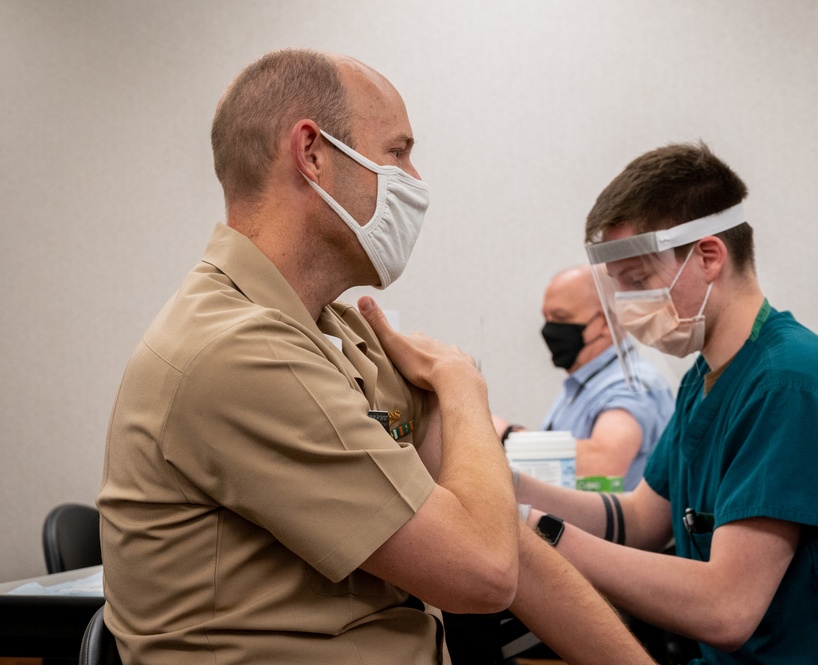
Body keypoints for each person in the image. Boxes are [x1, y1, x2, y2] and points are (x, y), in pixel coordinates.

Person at [97, 49, 655, 665]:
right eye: (397, 152)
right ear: (311, 154)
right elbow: (482, 572)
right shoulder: (237, 352)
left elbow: (503, 540)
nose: (414, 181)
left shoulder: (337, 331)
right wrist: (463, 387)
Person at [513, 142, 818, 664]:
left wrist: (541, 532)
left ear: (709, 256)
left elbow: (726, 607)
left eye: (639, 282)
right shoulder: (708, 377)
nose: (627, 308)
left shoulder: (789, 384)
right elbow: (639, 519)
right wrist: (508, 487)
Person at [498, 265, 674, 491]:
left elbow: (604, 463)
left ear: (604, 324)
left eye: (561, 317)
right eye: (547, 318)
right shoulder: (584, 382)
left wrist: (507, 435)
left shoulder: (632, 384)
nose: (549, 329)